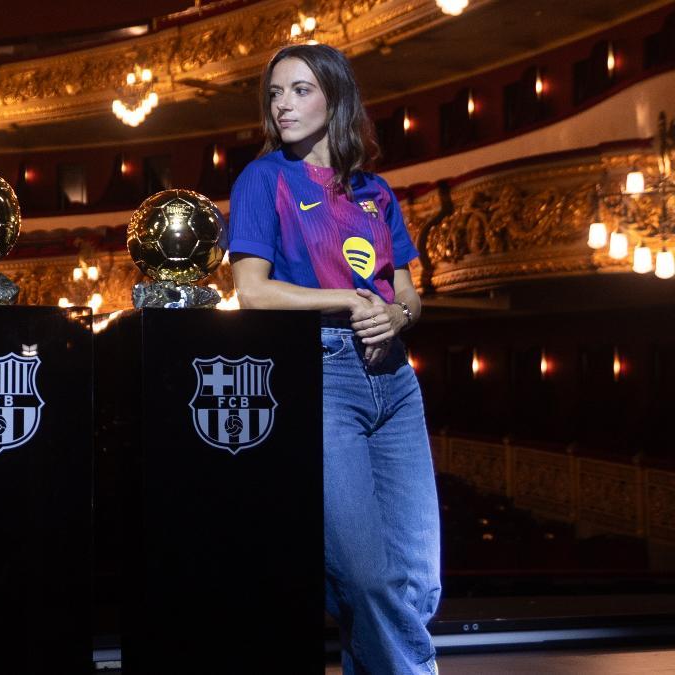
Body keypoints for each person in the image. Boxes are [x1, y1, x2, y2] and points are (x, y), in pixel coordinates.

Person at [225, 43, 441, 674]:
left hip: (395, 378)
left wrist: (395, 314)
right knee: (367, 578)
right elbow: (252, 292)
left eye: (299, 91)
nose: (282, 106)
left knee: (417, 582)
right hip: (321, 374)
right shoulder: (265, 179)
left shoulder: (374, 191)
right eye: (274, 93)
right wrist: (351, 301)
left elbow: (407, 292)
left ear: (336, 98)